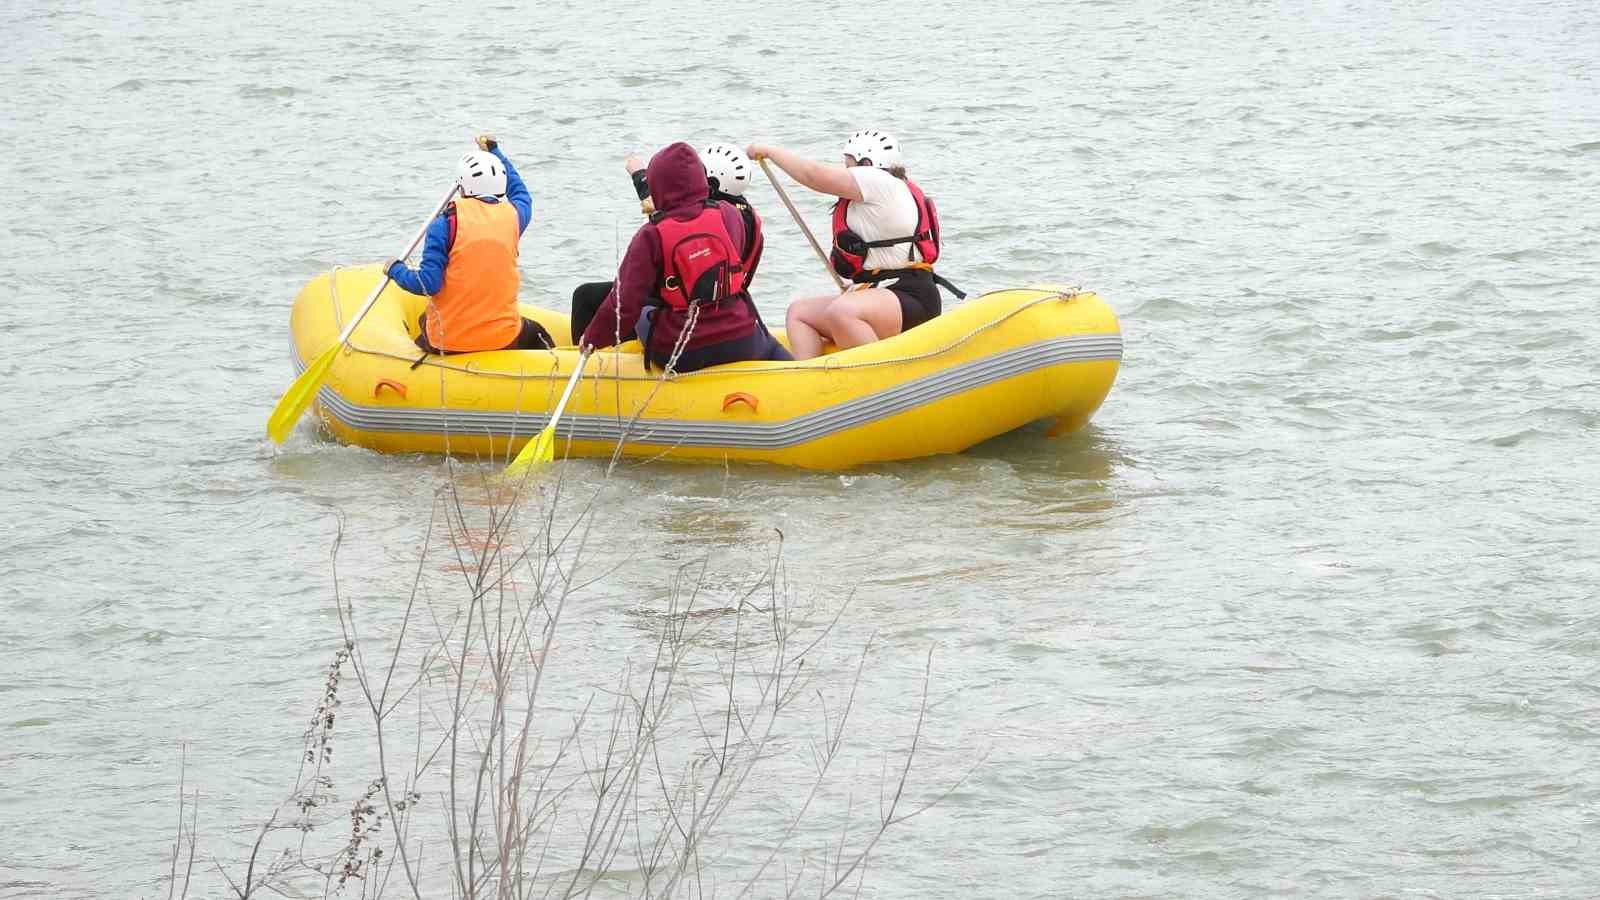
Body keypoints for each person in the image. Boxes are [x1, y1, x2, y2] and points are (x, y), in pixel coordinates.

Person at [746, 130, 961, 360]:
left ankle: (881, 372)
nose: (846, 171)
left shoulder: (879, 181)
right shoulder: (883, 189)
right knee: (799, 313)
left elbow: (813, 175)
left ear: (867, 163)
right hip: (880, 293)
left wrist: (770, 151)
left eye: (849, 164)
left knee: (841, 312)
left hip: (910, 295)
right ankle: (809, 376)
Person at [579, 142, 791, 372]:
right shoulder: (730, 214)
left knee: (642, 310)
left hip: (681, 350)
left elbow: (624, 304)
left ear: (657, 186)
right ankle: (799, 373)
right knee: (773, 349)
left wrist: (591, 340)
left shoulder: (651, 234)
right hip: (741, 338)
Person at [387, 135, 553, 355]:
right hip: (503, 337)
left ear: (462, 187)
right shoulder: (514, 217)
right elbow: (521, 192)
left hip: (450, 341)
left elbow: (428, 284)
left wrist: (396, 269)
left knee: (425, 320)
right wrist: (495, 151)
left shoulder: (444, 224)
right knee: (537, 333)